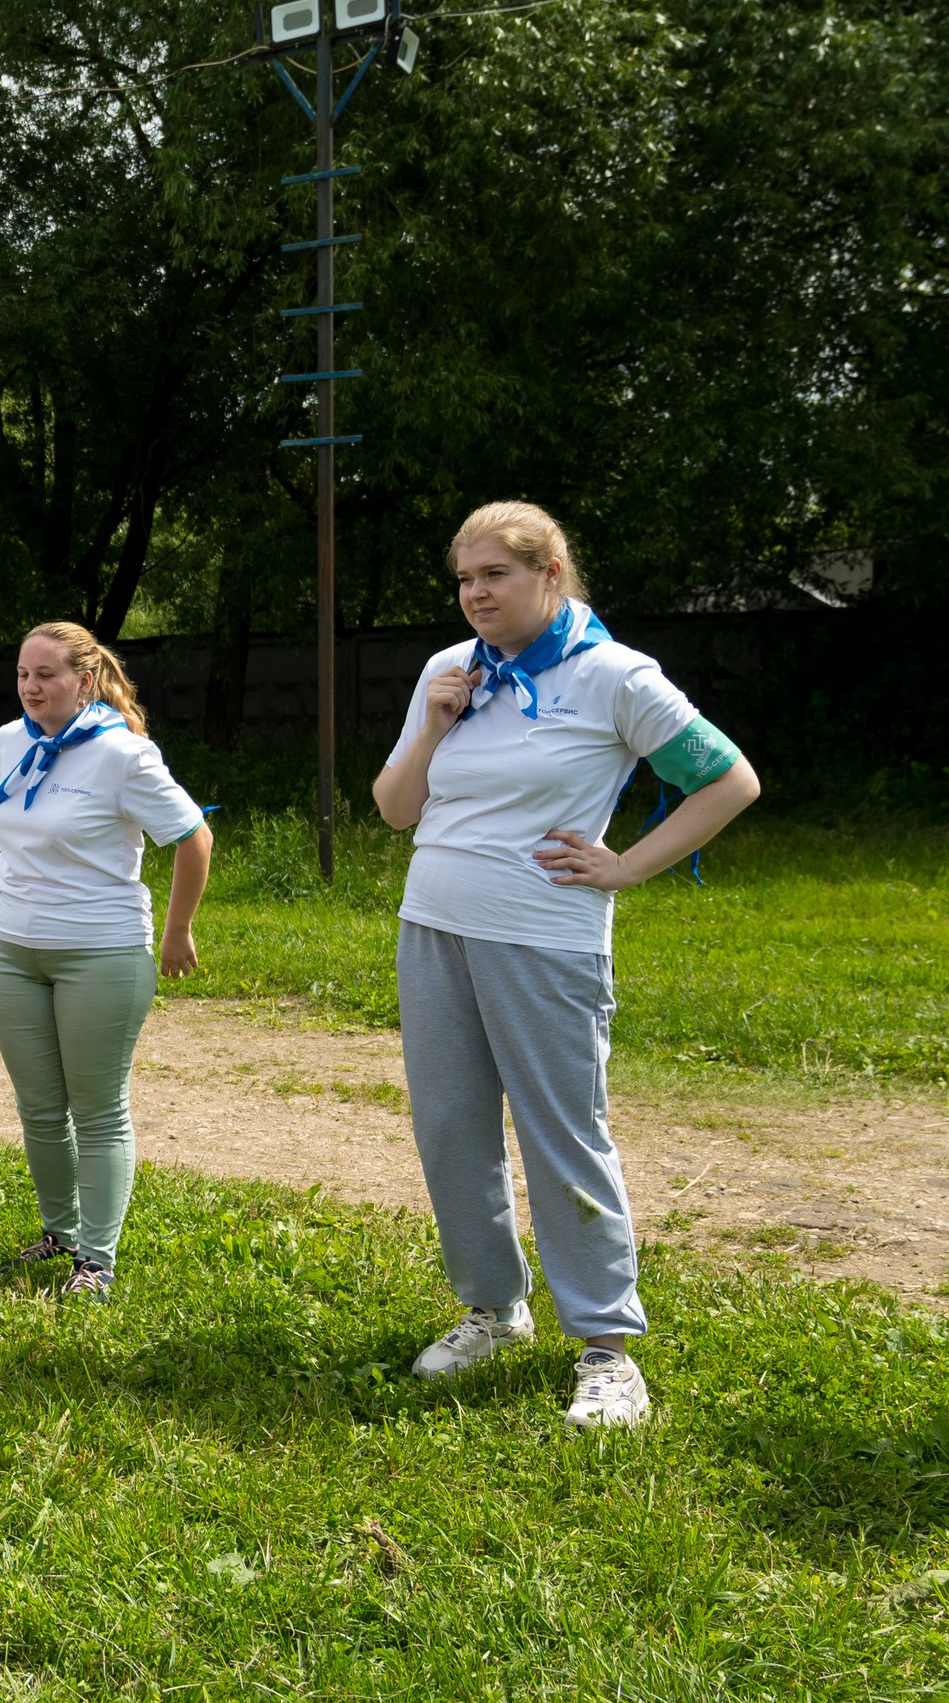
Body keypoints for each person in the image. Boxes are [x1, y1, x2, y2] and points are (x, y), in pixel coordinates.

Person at [372, 501, 758, 1429]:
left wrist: (624, 865)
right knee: (451, 1128)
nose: (475, 594)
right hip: (433, 925)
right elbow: (393, 808)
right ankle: (493, 1311)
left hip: (545, 938)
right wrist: (432, 725)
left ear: (550, 574)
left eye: (494, 575)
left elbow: (729, 779)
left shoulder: (614, 676)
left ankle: (609, 1350)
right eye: (464, 578)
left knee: (561, 1136)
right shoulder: (448, 670)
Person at [0, 622, 212, 1303]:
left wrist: (178, 931)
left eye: (47, 674)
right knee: (39, 1107)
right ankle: (58, 1231)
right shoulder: (6, 742)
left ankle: (98, 1259)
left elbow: (194, 837)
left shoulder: (124, 755)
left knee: (98, 1109)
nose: (31, 686)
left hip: (101, 952)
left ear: (84, 681)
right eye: (24, 673)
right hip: (14, 949)